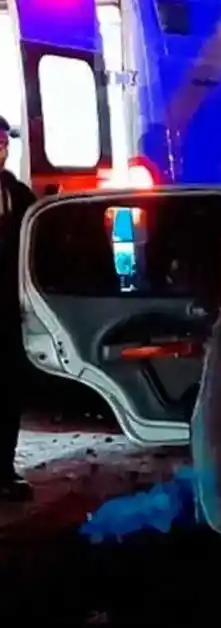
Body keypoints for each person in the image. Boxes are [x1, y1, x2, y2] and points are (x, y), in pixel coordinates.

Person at [0, 115, 35, 500]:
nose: (2, 150)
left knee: (8, 395)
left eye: (4, 143)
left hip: (9, 314)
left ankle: (4, 472)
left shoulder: (18, 194)